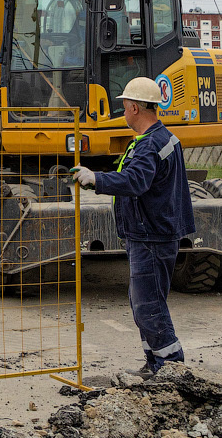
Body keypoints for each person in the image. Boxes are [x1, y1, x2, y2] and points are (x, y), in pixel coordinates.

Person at [72, 76, 194, 376]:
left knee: (148, 306)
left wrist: (96, 179)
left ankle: (170, 367)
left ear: (136, 108)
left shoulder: (150, 145)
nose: (123, 112)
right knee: (145, 302)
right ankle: (155, 363)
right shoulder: (162, 138)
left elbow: (135, 181)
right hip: (157, 231)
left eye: (125, 107)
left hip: (151, 235)